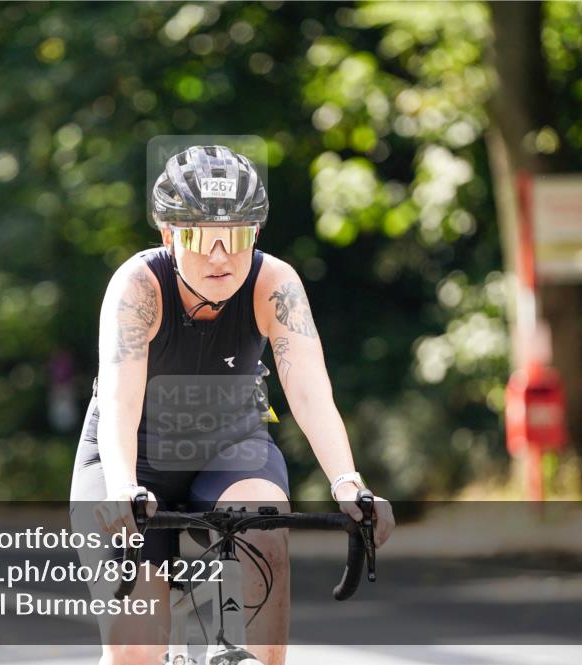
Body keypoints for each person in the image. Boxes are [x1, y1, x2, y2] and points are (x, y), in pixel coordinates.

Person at [69, 145, 395, 665]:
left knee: (265, 527)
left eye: (237, 236)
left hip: (230, 449)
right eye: (200, 237)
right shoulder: (138, 287)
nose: (220, 256)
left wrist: (347, 483)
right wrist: (122, 488)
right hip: (132, 457)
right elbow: (119, 401)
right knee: (135, 649)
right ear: (169, 234)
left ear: (256, 234)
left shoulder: (274, 284)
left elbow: (310, 392)